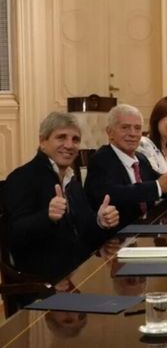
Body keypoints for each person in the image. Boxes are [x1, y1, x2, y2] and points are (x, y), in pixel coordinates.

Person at [4, 112, 119, 279]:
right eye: (61, 137)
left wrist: (101, 222)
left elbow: (86, 231)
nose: (69, 145)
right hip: (45, 282)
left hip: (81, 273)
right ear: (42, 141)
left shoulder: (71, 179)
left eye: (75, 139)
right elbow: (14, 235)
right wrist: (47, 217)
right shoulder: (22, 177)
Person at [85, 104, 167, 228]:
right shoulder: (102, 159)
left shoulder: (140, 159)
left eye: (137, 128)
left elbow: (164, 186)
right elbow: (112, 194)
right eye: (125, 127)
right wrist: (157, 186)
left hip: (148, 229)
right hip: (119, 235)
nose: (133, 133)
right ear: (110, 132)